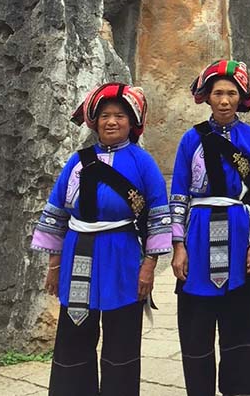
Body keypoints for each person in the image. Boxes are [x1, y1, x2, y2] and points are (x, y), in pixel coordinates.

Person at [31, 83, 172, 396]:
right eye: (105, 115)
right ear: (94, 121)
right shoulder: (77, 162)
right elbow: (57, 212)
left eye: (119, 116)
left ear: (131, 121)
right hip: (78, 253)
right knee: (75, 333)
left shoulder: (142, 162)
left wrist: (149, 266)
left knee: (122, 333)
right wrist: (54, 266)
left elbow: (159, 216)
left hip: (122, 254)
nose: (112, 121)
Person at [170, 59, 250, 396]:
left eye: (231, 93)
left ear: (241, 97)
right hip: (198, 236)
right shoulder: (191, 140)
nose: (224, 100)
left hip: (240, 235)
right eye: (218, 92)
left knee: (242, 322)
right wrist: (178, 246)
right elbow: (178, 193)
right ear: (207, 96)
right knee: (197, 324)